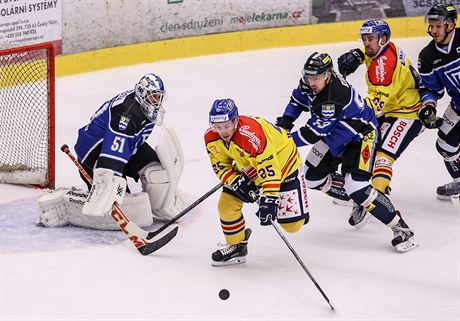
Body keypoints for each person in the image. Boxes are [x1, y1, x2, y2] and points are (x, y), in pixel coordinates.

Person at [276, 52, 418, 252]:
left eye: (316, 78)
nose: (311, 81)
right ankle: (361, 200)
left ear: (328, 75)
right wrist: (284, 124)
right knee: (311, 177)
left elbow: (311, 134)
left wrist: (280, 142)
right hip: (335, 134)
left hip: (361, 135)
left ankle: (400, 228)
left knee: (356, 186)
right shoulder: (309, 82)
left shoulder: (333, 98)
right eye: (308, 77)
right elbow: (297, 101)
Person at [38, 73, 185, 229]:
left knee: (156, 172)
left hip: (127, 146)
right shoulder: (126, 115)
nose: (157, 102)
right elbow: (112, 157)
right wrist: (111, 184)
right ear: (142, 93)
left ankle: (159, 207)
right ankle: (67, 202)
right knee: (119, 198)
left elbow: (128, 141)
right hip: (96, 155)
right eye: (154, 97)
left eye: (159, 97)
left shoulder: (143, 106)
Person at [336, 19, 425, 224]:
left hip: (408, 113)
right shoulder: (383, 49)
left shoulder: (382, 68)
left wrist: (348, 110)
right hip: (392, 107)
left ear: (383, 39)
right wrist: (359, 55)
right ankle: (360, 188)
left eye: (370, 39)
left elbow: (373, 106)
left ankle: (374, 200)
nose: (366, 43)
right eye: (364, 39)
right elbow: (369, 54)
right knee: (363, 142)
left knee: (383, 157)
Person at [204, 98, 309, 266]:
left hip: (284, 166)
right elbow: (220, 165)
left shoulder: (251, 135)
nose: (222, 131)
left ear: (235, 121)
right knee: (226, 205)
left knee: (292, 226)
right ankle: (237, 246)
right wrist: (235, 181)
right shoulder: (211, 137)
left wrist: (269, 199)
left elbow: (270, 169)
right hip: (251, 167)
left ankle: (299, 195)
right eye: (217, 127)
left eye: (226, 126)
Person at [417, 3, 460, 204]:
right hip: (459, 105)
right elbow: (430, 88)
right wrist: (429, 106)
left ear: (451, 25)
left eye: (438, 25)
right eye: (431, 25)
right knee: (445, 145)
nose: (433, 30)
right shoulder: (428, 56)